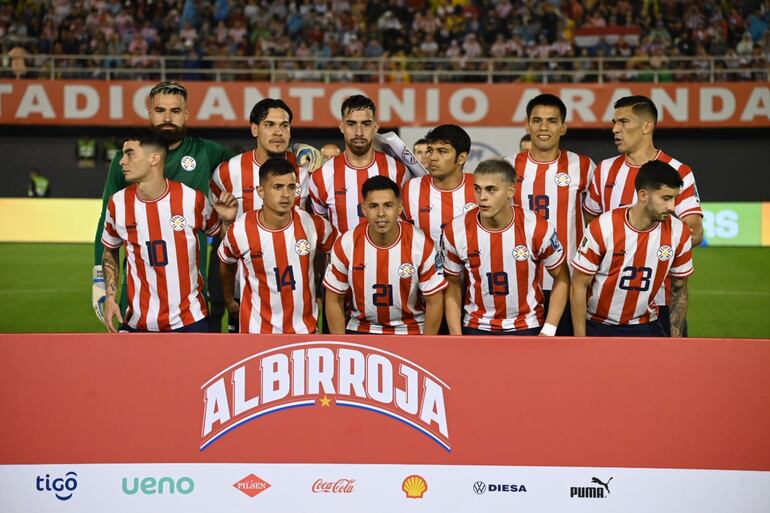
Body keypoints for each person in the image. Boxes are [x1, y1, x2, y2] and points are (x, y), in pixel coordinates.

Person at [92, 81, 234, 330]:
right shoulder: (124, 160)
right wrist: (100, 283)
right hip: (136, 303)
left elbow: (252, 169)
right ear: (149, 113)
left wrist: (291, 153)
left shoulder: (207, 151)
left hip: (190, 303)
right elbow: (107, 222)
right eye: (160, 110)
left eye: (175, 111)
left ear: (186, 114)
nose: (167, 117)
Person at [584, 95, 703, 335]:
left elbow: (694, 231)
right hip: (606, 306)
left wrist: (648, 250)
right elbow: (591, 223)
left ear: (647, 126)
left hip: (658, 301)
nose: (615, 129)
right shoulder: (604, 170)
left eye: (624, 122)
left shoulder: (678, 170)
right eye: (614, 123)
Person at [442, 159, 570, 336]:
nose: (482, 197)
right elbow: (452, 283)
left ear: (511, 190)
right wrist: (456, 335)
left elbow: (562, 278)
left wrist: (548, 330)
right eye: (477, 189)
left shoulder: (537, 228)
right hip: (476, 326)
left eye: (491, 189)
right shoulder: (455, 230)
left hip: (527, 326)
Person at [571, 160, 693, 337]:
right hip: (597, 325)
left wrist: (676, 338)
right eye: (665, 198)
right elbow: (578, 285)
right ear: (643, 195)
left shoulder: (679, 232)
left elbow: (679, 289)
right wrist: (580, 341)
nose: (672, 207)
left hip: (645, 325)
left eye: (674, 198)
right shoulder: (603, 227)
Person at [506, 93, 595, 335]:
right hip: (520, 284)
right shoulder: (508, 166)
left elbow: (595, 219)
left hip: (569, 282)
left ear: (563, 127)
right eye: (537, 120)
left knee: (568, 361)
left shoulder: (583, 166)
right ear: (527, 125)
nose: (543, 127)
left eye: (552, 121)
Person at [218, 158, 337, 333]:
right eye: (278, 187)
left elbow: (337, 256)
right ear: (261, 191)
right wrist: (229, 299)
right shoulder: (240, 230)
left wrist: (318, 282)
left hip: (305, 331)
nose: (286, 194)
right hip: (256, 332)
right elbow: (226, 263)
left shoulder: (314, 224)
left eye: (291, 187)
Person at [323, 176, 446, 335]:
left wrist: (426, 347)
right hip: (361, 328)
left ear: (400, 207)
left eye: (388, 205)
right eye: (374, 206)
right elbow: (334, 299)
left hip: (411, 330)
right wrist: (341, 346)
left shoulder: (422, 244)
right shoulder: (345, 244)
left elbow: (434, 302)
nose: (381, 213)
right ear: (364, 209)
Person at [309, 94, 410, 234]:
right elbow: (322, 229)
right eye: (351, 124)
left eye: (366, 124)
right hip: (342, 255)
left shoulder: (398, 171)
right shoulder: (321, 176)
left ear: (376, 127)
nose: (359, 132)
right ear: (342, 127)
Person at [402, 124, 476, 246]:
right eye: (430, 150)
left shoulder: (480, 187)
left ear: (461, 158)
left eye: (442, 151)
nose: (432, 157)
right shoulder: (411, 189)